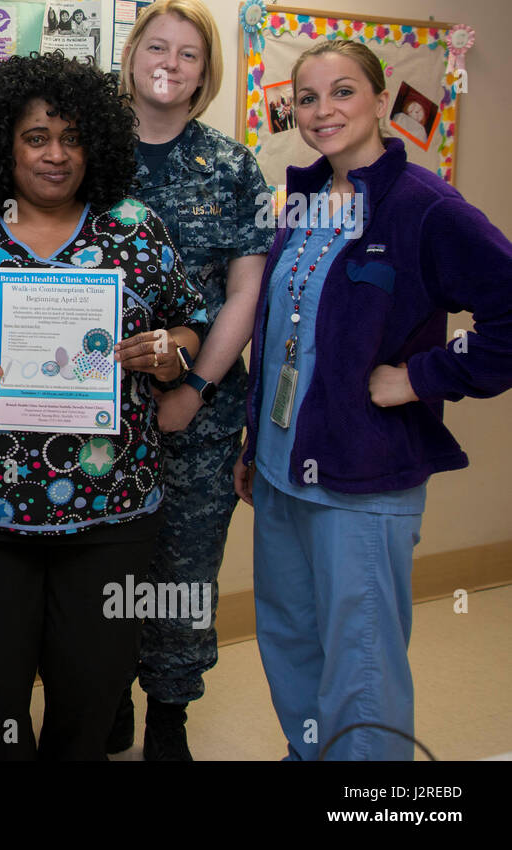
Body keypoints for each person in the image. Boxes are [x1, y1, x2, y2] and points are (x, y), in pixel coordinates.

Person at [0, 51, 207, 760]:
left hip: (108, 511)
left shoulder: (135, 228)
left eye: (71, 137)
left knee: (92, 689)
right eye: (36, 137)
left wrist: (170, 350)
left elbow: (191, 323)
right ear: (4, 142)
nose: (56, 155)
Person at [234, 39, 512, 760]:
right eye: (307, 97)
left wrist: (421, 377)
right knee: (291, 641)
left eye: (344, 92)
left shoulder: (424, 207)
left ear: (383, 101)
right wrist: (249, 441)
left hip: (362, 476)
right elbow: (281, 331)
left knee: (359, 664)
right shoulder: (301, 200)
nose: (323, 111)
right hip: (279, 467)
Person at [109, 0, 271, 760]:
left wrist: (194, 390)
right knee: (97, 559)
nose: (168, 64)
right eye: (156, 47)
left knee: (183, 566)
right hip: (90, 406)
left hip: (196, 409)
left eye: (187, 54)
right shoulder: (82, 149)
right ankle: (101, 691)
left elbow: (245, 290)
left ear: (204, 73)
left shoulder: (232, 166)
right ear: (131, 53)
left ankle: (166, 712)